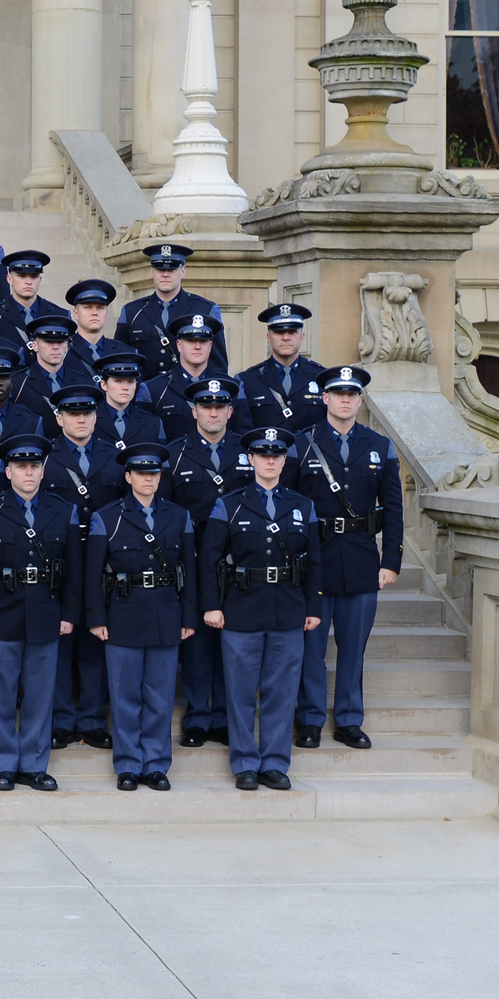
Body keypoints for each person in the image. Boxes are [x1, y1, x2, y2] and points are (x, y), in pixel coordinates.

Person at [199, 426, 323, 791]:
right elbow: (209, 559)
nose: (270, 461)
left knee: (282, 692)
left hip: (288, 609)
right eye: (263, 455)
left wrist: (312, 605)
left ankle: (274, 762)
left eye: (277, 455)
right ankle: (245, 763)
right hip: (241, 609)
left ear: (285, 460)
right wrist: (212, 606)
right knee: (239, 692)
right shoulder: (229, 504)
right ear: (250, 459)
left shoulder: (303, 506)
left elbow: (314, 562)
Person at [0, 434, 83, 792]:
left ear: (44, 470)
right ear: (8, 470)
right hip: (1, 611)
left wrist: (69, 613)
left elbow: (74, 569)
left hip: (46, 610)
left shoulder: (64, 510)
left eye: (34, 466)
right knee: (0, 694)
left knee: (40, 693)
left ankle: (33, 763)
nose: (28, 473)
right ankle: (4, 764)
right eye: (21, 466)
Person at [293, 364, 401, 751]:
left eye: (351, 394)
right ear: (324, 398)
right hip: (315, 558)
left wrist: (390, 560)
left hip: (360, 558)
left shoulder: (379, 445)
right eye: (337, 394)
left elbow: (392, 507)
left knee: (354, 646)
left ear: (359, 400)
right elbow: (290, 504)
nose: (344, 400)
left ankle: (349, 720)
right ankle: (308, 719)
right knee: (312, 647)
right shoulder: (300, 444)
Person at [84, 446, 197, 791]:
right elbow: (92, 575)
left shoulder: (179, 516)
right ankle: (129, 765)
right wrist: (96, 617)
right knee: (125, 696)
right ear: (128, 477)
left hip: (166, 613)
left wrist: (188, 615)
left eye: (154, 474)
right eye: (141, 474)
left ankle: (157, 765)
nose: (148, 479)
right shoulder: (108, 516)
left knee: (160, 697)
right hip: (123, 613)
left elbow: (189, 571)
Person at [163, 377, 254, 747]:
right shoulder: (175, 453)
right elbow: (167, 513)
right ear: (194, 410)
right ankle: (199, 716)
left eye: (220, 406)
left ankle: (227, 717)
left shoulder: (250, 451)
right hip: (195, 559)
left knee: (232, 644)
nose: (213, 412)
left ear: (231, 411)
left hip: (242, 563)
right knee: (198, 643)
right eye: (206, 406)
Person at [42, 384, 125, 750]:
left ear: (96, 416)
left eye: (87, 413)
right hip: (56, 558)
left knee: (95, 638)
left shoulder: (115, 455)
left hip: (102, 562)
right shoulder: (43, 456)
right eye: (73, 414)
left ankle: (91, 718)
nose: (81, 420)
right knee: (58, 640)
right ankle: (60, 718)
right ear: (59, 418)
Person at [115, 242, 228, 381]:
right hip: (143, 396)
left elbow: (218, 365)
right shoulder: (132, 312)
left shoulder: (205, 310)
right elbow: (120, 361)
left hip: (188, 393)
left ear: (183, 271)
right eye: (160, 269)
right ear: (152, 271)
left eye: (172, 269)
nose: (165, 274)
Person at [238, 301, 326, 431]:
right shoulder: (248, 380)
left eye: (292, 332)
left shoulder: (321, 377)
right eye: (279, 332)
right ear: (268, 337)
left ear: (302, 336)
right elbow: (242, 431)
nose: (286, 337)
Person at [0, 250, 63, 347]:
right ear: (9, 279)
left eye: (34, 276)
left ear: (40, 279)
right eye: (22, 276)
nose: (28, 282)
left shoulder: (59, 315)